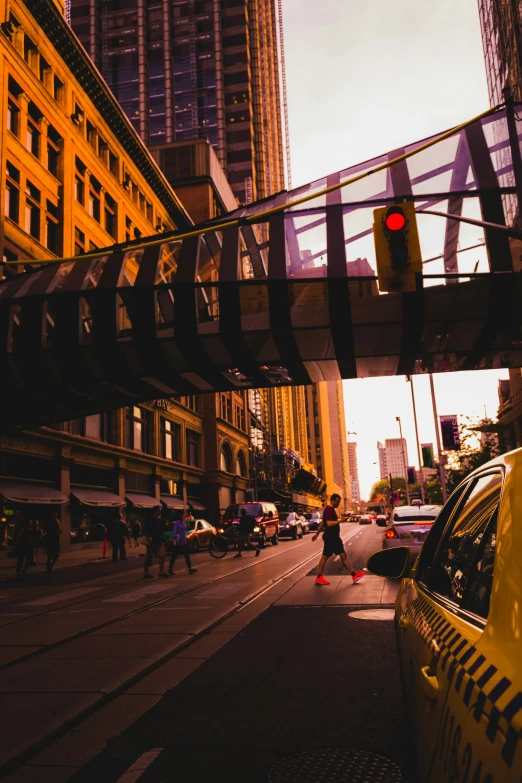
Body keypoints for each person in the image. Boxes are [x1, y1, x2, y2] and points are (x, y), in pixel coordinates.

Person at [313, 493, 365, 585]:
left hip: (334, 537)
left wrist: (317, 533)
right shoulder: (329, 510)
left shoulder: (330, 510)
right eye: (337, 501)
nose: (338, 503)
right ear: (333, 500)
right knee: (325, 557)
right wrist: (341, 520)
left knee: (342, 555)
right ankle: (319, 577)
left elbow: (322, 522)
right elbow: (328, 523)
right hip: (331, 537)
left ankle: (354, 575)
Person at [143, 508, 168, 579]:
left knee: (162, 555)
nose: (160, 511)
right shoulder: (149, 521)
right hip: (151, 541)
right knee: (149, 557)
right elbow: (147, 532)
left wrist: (165, 539)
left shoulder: (160, 521)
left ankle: (161, 572)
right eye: (158, 510)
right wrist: (149, 541)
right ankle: (146, 573)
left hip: (159, 540)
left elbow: (162, 531)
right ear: (154, 512)